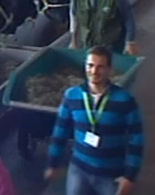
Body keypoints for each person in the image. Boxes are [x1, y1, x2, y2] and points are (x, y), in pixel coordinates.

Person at [45, 46, 144, 195]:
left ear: (109, 70)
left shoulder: (124, 100)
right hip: (79, 170)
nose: (94, 71)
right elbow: (60, 131)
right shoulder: (72, 96)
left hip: (111, 174)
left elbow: (137, 139)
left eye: (100, 67)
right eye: (90, 65)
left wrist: (130, 176)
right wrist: (53, 163)